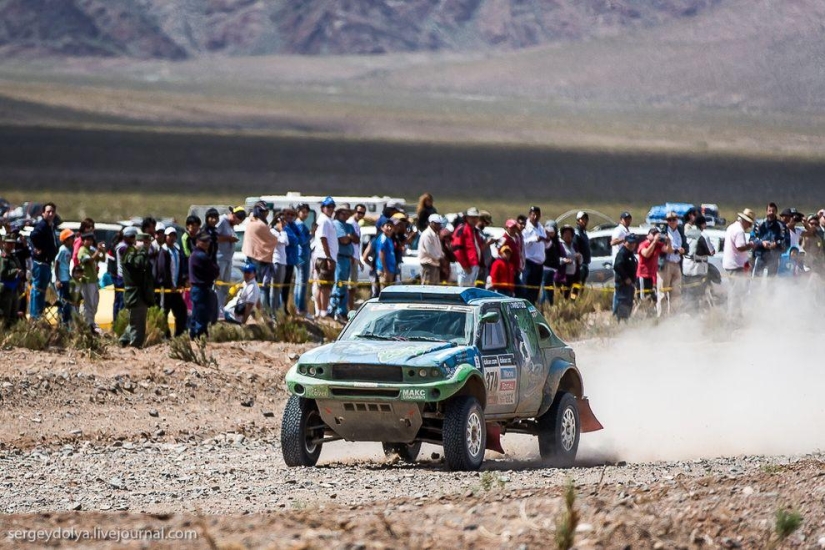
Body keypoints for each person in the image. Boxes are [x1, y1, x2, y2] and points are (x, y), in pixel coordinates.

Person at [242, 202, 279, 314]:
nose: (266, 213)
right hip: (258, 258)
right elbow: (273, 239)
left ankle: (253, 311)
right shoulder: (260, 225)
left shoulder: (250, 221)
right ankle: (262, 312)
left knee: (251, 285)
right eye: (263, 211)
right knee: (261, 287)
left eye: (267, 211)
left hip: (250, 256)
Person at [120, 232, 155, 348]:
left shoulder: (140, 254)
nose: (146, 245)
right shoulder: (130, 252)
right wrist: (143, 251)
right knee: (138, 324)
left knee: (136, 321)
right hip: (134, 294)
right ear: (136, 242)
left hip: (141, 293)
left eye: (148, 243)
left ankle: (124, 341)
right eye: (143, 242)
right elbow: (137, 264)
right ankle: (134, 346)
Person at [723, 209, 757, 317]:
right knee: (736, 293)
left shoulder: (731, 227)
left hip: (731, 264)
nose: (749, 226)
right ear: (746, 221)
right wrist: (751, 245)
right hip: (736, 266)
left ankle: (735, 314)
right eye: (749, 224)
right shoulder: (739, 231)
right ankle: (733, 316)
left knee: (735, 291)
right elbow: (740, 247)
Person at [28, 202, 58, 318]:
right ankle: (35, 316)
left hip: (46, 262)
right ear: (43, 213)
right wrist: (38, 247)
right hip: (40, 263)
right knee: (38, 289)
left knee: (42, 290)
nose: (50, 214)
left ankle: (38, 314)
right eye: (48, 212)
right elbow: (33, 235)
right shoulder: (42, 226)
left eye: (52, 212)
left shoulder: (50, 226)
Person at [328, 204, 357, 322]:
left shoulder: (349, 226)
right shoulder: (337, 224)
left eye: (347, 213)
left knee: (344, 285)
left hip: (348, 258)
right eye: (343, 213)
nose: (345, 215)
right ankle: (334, 309)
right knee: (339, 284)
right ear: (338, 213)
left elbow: (356, 239)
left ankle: (342, 310)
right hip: (340, 257)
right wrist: (349, 237)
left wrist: (350, 237)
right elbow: (343, 240)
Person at [215, 206, 245, 317]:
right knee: (219, 284)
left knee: (225, 286)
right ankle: (217, 309)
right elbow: (214, 236)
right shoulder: (222, 221)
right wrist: (229, 239)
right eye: (238, 220)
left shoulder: (231, 226)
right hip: (219, 258)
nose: (237, 224)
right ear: (234, 215)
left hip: (228, 259)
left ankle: (221, 308)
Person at [159, 227, 188, 337]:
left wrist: (181, 282)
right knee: (164, 313)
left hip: (176, 289)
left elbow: (179, 268)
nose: (171, 238)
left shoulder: (176, 251)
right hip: (166, 289)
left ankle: (179, 335)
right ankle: (165, 336)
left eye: (173, 236)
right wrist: (169, 284)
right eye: (169, 236)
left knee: (181, 312)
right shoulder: (164, 251)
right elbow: (162, 270)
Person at [189, 232, 219, 339]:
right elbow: (214, 270)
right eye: (204, 241)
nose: (207, 243)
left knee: (197, 314)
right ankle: (198, 337)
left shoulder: (198, 254)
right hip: (200, 289)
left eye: (208, 241)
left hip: (200, 289)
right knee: (201, 315)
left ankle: (195, 336)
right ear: (197, 242)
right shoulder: (200, 256)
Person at [313, 196, 339, 318]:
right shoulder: (324, 221)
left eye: (332, 206)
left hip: (325, 256)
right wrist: (329, 257)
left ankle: (320, 311)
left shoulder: (327, 220)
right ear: (323, 208)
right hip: (324, 257)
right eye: (328, 206)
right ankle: (323, 311)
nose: (330, 209)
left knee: (322, 285)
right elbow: (323, 238)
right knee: (325, 286)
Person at [659, 211, 686, 314]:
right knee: (663, 291)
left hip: (677, 263)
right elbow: (663, 248)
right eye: (669, 220)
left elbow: (685, 244)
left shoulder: (680, 231)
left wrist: (684, 250)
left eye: (674, 219)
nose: (672, 221)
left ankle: (674, 315)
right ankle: (661, 316)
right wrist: (676, 250)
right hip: (666, 263)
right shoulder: (663, 232)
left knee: (676, 292)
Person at [77, 232, 105, 331]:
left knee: (95, 302)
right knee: (88, 303)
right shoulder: (82, 250)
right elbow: (89, 260)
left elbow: (102, 258)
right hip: (86, 280)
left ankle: (91, 322)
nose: (89, 242)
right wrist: (97, 251)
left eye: (91, 240)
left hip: (94, 280)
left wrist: (102, 251)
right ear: (83, 241)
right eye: (87, 240)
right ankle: (88, 323)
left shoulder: (91, 250)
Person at [521, 206, 549, 304]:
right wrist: (533, 239)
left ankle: (532, 307)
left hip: (539, 263)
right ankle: (525, 307)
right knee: (527, 288)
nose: (536, 217)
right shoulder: (526, 228)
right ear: (530, 215)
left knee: (536, 290)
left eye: (538, 214)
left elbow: (546, 244)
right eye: (533, 214)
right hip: (530, 261)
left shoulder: (541, 228)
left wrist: (547, 240)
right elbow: (522, 243)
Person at [752, 203, 788, 277]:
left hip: (774, 256)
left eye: (773, 211)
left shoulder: (781, 226)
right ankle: (755, 288)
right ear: (766, 211)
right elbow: (752, 238)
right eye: (769, 210)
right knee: (756, 278)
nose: (771, 213)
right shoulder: (759, 224)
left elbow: (786, 240)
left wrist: (776, 243)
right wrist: (762, 243)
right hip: (760, 255)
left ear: (776, 212)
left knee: (771, 280)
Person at [636, 227, 666, 311]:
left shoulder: (658, 245)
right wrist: (654, 242)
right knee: (643, 300)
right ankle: (634, 318)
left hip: (652, 276)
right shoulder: (643, 244)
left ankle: (650, 317)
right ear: (648, 235)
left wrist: (668, 241)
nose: (655, 236)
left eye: (656, 234)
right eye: (653, 234)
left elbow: (668, 250)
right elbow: (646, 254)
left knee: (653, 299)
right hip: (643, 275)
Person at [452, 207, 483, 288]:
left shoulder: (475, 231)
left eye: (476, 217)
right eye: (472, 217)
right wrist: (465, 266)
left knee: (471, 288)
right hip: (465, 266)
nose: (474, 219)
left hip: (474, 264)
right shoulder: (462, 229)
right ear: (467, 218)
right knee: (463, 288)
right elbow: (457, 249)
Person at [613, 233, 639, 321]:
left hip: (629, 286)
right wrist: (625, 278)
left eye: (633, 243)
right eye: (629, 243)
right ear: (625, 242)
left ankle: (625, 322)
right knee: (622, 305)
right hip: (623, 285)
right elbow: (617, 266)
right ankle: (620, 323)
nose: (631, 245)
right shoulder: (622, 253)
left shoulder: (630, 253)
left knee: (628, 305)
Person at [268, 213, 291, 315]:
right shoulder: (273, 232)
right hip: (276, 261)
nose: (284, 224)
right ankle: (272, 311)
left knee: (279, 288)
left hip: (282, 261)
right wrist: (282, 230)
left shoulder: (280, 232)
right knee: (275, 287)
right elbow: (284, 241)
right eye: (282, 222)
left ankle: (277, 309)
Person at [292, 203, 312, 316]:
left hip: (299, 255)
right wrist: (311, 234)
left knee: (299, 282)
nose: (305, 214)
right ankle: (300, 308)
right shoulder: (300, 225)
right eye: (303, 212)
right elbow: (302, 241)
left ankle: (297, 307)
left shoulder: (298, 224)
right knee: (302, 283)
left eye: (306, 212)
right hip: (302, 255)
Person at [346, 204, 366, 311]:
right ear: (355, 211)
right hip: (350, 257)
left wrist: (359, 260)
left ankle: (350, 306)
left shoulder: (357, 225)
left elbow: (357, 245)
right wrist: (351, 256)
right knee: (350, 285)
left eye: (362, 213)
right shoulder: (350, 223)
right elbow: (350, 241)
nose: (360, 215)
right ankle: (349, 308)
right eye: (359, 212)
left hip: (355, 257)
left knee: (353, 286)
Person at [0, 235, 23, 326]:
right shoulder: (3, 258)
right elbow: (2, 273)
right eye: (9, 243)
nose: (11, 245)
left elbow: (20, 269)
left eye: (13, 243)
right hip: (6, 290)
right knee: (5, 315)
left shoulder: (14, 257)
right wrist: (15, 271)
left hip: (14, 289)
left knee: (14, 314)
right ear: (4, 244)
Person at [281, 206, 300, 315]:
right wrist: (296, 238)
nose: (290, 216)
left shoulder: (293, 226)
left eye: (292, 215)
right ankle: (281, 308)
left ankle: (285, 307)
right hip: (284, 260)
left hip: (291, 260)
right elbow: (293, 239)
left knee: (287, 286)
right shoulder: (283, 226)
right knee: (282, 285)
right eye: (288, 214)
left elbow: (300, 237)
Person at [555, 225, 582, 300]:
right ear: (562, 235)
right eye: (566, 233)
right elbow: (555, 259)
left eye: (569, 234)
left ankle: (573, 302)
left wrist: (579, 257)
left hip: (574, 274)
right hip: (563, 275)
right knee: (565, 293)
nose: (568, 236)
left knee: (575, 291)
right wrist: (564, 260)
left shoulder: (574, 246)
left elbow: (580, 260)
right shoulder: (559, 246)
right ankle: (564, 305)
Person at [55, 229, 75, 324]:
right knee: (62, 301)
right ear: (65, 240)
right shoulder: (62, 250)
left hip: (66, 278)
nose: (73, 240)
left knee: (67, 301)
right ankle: (61, 322)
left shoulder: (68, 250)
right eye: (71, 238)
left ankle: (66, 321)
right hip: (62, 279)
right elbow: (57, 263)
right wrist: (57, 279)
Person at [418, 214, 444, 285]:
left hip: (435, 264)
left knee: (435, 288)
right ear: (432, 223)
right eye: (437, 224)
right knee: (427, 288)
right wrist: (440, 258)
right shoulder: (427, 234)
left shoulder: (435, 234)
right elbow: (430, 251)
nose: (439, 226)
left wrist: (442, 256)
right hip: (428, 265)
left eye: (439, 224)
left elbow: (438, 249)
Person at [542, 222, 560, 305]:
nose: (550, 234)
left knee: (550, 292)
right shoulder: (545, 242)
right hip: (546, 269)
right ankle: (543, 308)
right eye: (548, 232)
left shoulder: (557, 242)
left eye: (552, 232)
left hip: (554, 270)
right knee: (546, 292)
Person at [476, 211, 496, 287]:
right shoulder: (476, 233)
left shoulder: (482, 232)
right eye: (486, 223)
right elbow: (478, 249)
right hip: (479, 266)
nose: (486, 225)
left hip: (485, 266)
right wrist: (488, 243)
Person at [573, 211, 592, 287]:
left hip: (585, 264)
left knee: (581, 286)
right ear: (578, 220)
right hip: (580, 265)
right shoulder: (576, 233)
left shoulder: (584, 233)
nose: (584, 221)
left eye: (586, 219)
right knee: (576, 285)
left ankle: (579, 298)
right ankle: (573, 299)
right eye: (582, 219)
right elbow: (575, 247)